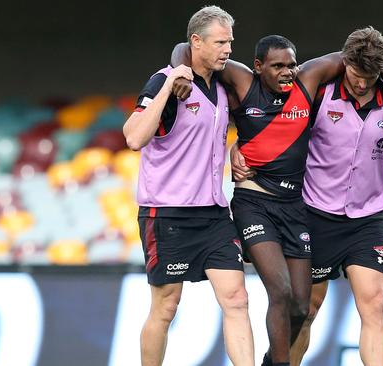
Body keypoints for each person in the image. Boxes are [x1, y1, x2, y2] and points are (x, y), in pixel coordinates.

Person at [171, 33, 383, 366]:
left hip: (295, 207)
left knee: (301, 307)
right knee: (281, 293)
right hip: (254, 202)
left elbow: (357, 55)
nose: (287, 72)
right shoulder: (243, 82)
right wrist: (179, 71)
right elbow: (189, 51)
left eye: (292, 64)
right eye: (278, 66)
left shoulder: (307, 82)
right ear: (258, 67)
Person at [283, 27, 383, 366]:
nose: (362, 83)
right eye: (357, 75)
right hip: (315, 214)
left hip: (367, 218)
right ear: (344, 62)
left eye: (370, 76)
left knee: (376, 303)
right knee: (305, 311)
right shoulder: (321, 92)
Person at [122, 6, 254, 366]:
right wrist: (166, 87)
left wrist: (234, 146)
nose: (228, 49)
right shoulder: (165, 81)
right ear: (195, 42)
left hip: (213, 213)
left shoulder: (223, 84)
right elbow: (133, 138)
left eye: (230, 41)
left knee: (237, 298)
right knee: (165, 307)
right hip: (167, 213)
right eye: (220, 42)